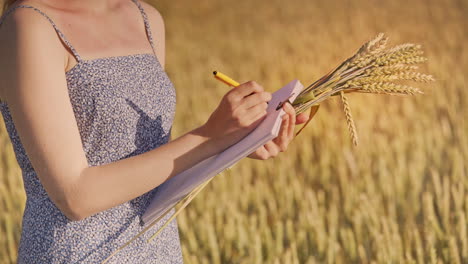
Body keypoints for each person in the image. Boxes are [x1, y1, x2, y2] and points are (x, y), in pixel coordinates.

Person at [0, 0, 310, 263]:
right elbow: (75, 196)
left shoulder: (144, 18)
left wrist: (237, 140)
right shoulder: (29, 25)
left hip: (157, 249)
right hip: (79, 253)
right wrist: (209, 137)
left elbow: (155, 171)